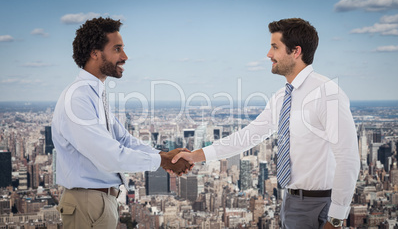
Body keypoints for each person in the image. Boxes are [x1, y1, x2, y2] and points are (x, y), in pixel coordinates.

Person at [171, 18, 360, 229]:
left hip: (320, 206)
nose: (269, 54)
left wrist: (335, 219)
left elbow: (348, 158)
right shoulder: (282, 97)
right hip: (290, 202)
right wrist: (196, 155)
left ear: (296, 51)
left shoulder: (327, 93)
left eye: (275, 47)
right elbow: (249, 135)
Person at [52, 17, 191, 229]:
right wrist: (161, 161)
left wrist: (164, 156)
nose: (125, 57)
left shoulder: (93, 94)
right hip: (87, 204)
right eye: (117, 49)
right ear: (95, 53)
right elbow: (108, 156)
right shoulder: (78, 98)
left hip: (97, 204)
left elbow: (124, 140)